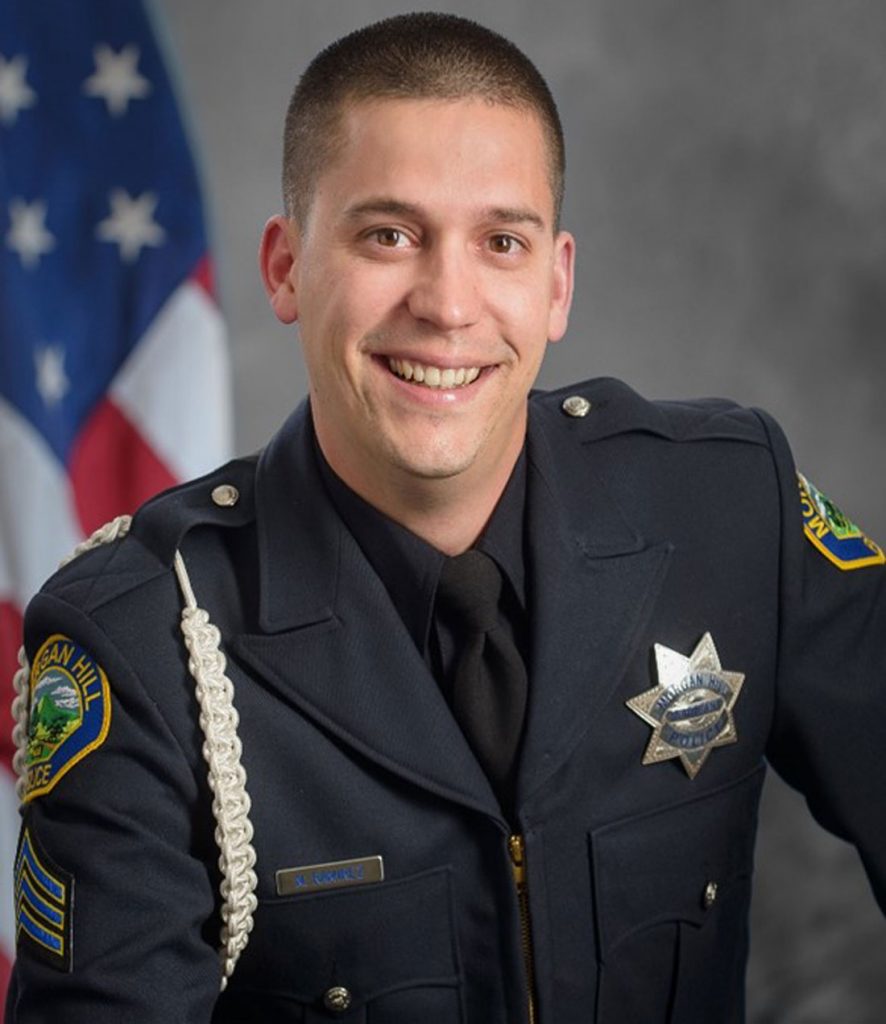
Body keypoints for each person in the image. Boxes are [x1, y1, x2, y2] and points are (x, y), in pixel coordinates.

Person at [7, 12, 885, 1023]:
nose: (449, 305)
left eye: (500, 242)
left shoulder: (729, 507)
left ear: (556, 283)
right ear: (286, 267)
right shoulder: (141, 644)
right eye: (389, 235)